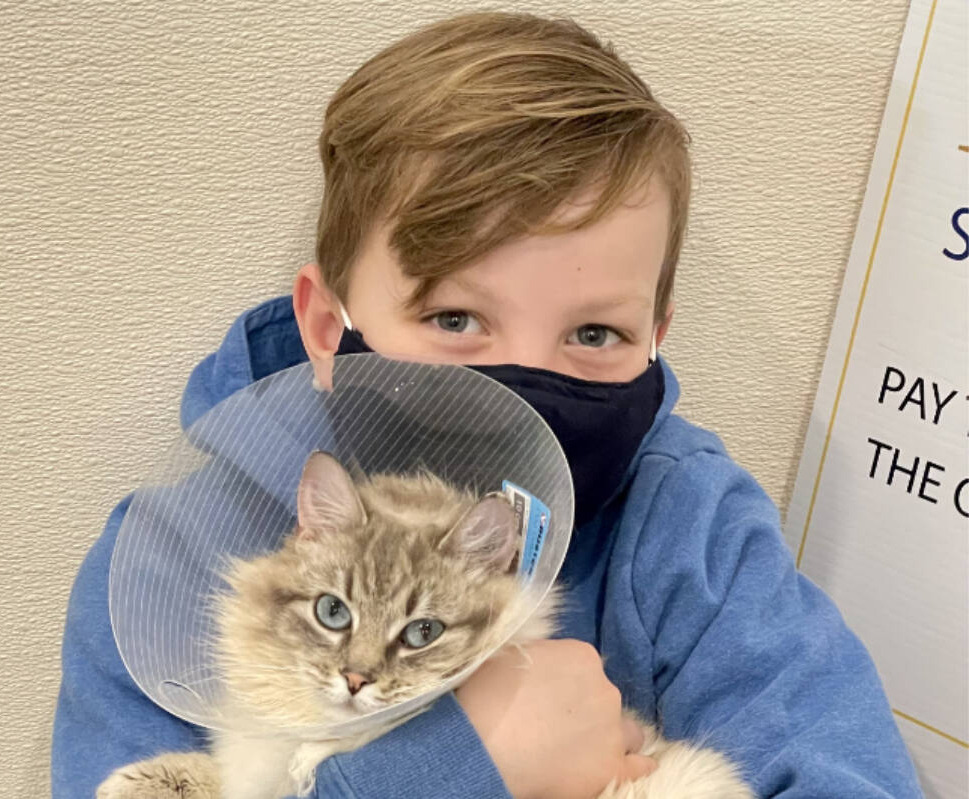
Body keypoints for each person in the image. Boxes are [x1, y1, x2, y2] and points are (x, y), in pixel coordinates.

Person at [52, 11, 923, 798]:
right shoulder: (161, 573)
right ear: (327, 322)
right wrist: (454, 770)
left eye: (593, 334)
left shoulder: (691, 525)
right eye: (456, 317)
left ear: (656, 333)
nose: (526, 388)